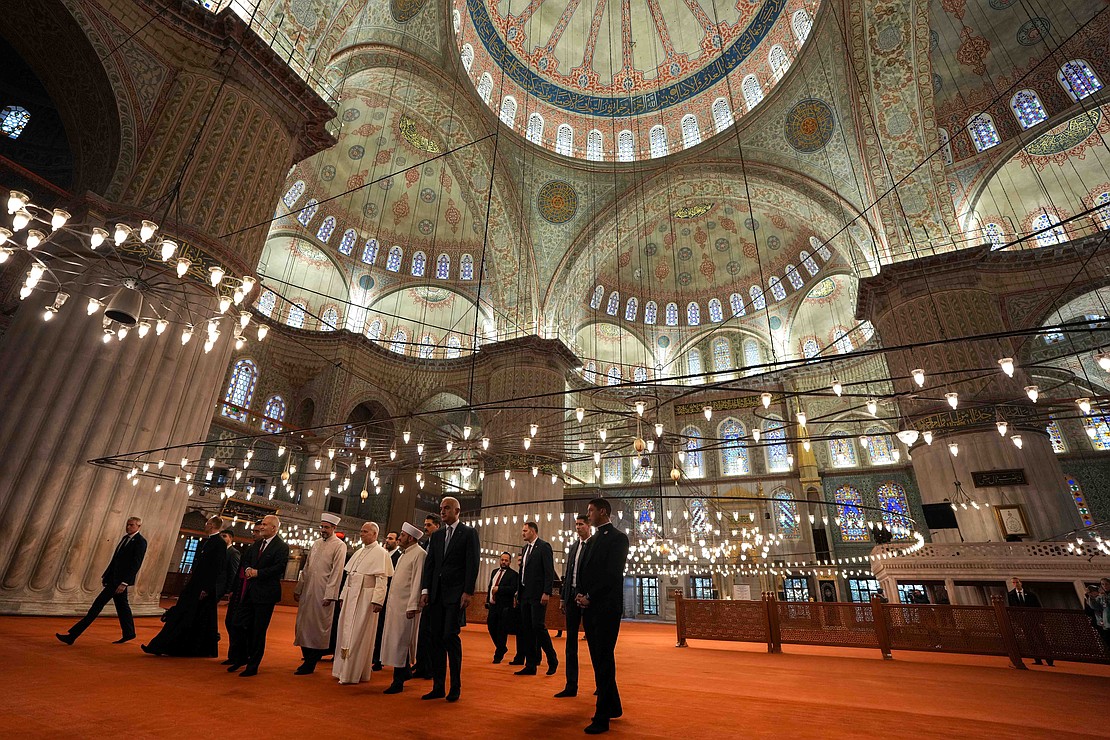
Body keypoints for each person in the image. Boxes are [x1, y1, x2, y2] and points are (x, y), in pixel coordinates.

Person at [576, 497, 629, 735]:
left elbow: (612, 575)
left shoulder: (618, 539)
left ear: (603, 512)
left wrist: (590, 596)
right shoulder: (593, 539)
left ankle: (602, 716)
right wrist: (580, 594)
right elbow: (586, 571)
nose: (588, 515)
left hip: (606, 608)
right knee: (598, 660)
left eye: (591, 511)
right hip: (590, 607)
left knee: (604, 659)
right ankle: (613, 706)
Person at [418, 496, 479, 702]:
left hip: (456, 595)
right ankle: (438, 687)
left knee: (450, 637)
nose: (442, 511)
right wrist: (425, 590)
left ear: (457, 511)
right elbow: (430, 565)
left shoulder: (468, 533)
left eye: (447, 508)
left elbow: (472, 564)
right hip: (436, 595)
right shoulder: (437, 535)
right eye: (441, 508)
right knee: (436, 639)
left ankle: (455, 687)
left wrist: (468, 591)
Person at [142, 515, 227, 657]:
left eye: (207, 523)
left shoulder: (219, 543)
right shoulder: (210, 541)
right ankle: (165, 646)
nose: (205, 525)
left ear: (212, 525)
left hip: (203, 588)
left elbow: (216, 568)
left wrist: (206, 588)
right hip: (196, 586)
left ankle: (165, 646)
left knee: (190, 617)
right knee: (188, 617)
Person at [57, 516, 147, 645]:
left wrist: (124, 583)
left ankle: (72, 636)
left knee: (96, 607)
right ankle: (129, 633)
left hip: (119, 582)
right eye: (127, 524)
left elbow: (135, 564)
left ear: (138, 526)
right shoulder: (125, 539)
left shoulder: (140, 542)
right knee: (123, 608)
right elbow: (115, 561)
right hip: (113, 579)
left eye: (131, 525)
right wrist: (106, 576)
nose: (128, 527)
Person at [227, 514, 289, 676]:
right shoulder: (257, 545)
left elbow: (279, 568)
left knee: (258, 631)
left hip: (266, 594)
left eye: (265, 524)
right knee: (237, 623)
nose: (261, 527)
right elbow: (246, 560)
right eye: (262, 524)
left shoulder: (281, 546)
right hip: (250, 591)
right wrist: (248, 569)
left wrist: (258, 573)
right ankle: (242, 657)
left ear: (274, 528)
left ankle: (253, 666)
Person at [333, 521, 394, 685]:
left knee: (359, 633)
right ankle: (341, 670)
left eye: (365, 531)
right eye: (361, 531)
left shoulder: (381, 553)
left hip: (365, 599)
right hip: (350, 597)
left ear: (375, 534)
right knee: (345, 632)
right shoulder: (359, 552)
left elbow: (382, 580)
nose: (361, 534)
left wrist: (378, 601)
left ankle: (353, 673)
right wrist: (343, 596)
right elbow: (349, 577)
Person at [293, 513, 347, 675]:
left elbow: (337, 572)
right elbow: (306, 568)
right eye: (322, 527)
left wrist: (330, 595)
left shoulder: (339, 546)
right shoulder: (316, 543)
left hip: (323, 593)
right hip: (308, 591)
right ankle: (307, 657)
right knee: (303, 625)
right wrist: (299, 588)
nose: (323, 530)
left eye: (326, 527)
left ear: (334, 528)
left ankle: (311, 662)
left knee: (318, 627)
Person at [380, 523, 428, 693]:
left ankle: (398, 681)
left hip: (406, 607)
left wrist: (413, 605)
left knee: (401, 642)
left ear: (411, 538)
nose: (399, 538)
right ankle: (405, 672)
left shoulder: (420, 554)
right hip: (395, 606)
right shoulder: (404, 554)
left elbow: (417, 582)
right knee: (395, 641)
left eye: (402, 535)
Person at [516, 521, 558, 676]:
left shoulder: (544, 547)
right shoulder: (525, 548)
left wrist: (546, 592)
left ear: (533, 531)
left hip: (538, 595)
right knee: (527, 630)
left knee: (538, 627)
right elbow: (523, 572)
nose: (523, 533)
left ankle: (552, 659)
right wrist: (518, 593)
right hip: (525, 594)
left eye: (525, 531)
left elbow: (549, 571)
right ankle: (531, 665)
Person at [556, 514, 591, 697]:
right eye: (576, 524)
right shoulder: (574, 547)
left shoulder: (594, 545)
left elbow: (596, 574)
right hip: (571, 597)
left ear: (589, 526)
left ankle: (601, 685)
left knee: (594, 643)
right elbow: (568, 573)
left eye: (581, 524)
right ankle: (571, 685)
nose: (578, 527)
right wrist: (563, 598)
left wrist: (589, 596)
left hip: (588, 600)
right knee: (570, 643)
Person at [222, 520, 262, 666]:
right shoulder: (251, 548)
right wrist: (232, 589)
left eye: (257, 531)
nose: (254, 534)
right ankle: (234, 655)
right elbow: (239, 570)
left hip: (249, 591)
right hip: (239, 589)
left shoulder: (262, 550)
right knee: (230, 622)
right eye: (254, 531)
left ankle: (241, 656)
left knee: (242, 625)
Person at [411, 512, 442, 680]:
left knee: (430, 633)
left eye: (429, 525)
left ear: (438, 526)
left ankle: (429, 668)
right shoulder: (426, 543)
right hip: (425, 591)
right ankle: (422, 664)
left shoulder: (441, 542)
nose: (425, 528)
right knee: (422, 632)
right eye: (425, 525)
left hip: (435, 593)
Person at [372, 530, 402, 672]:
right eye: (387, 538)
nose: (387, 540)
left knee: (383, 629)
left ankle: (379, 659)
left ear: (397, 542)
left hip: (389, 598)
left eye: (391, 538)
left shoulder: (399, 557)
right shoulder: (381, 555)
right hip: (377, 595)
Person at [1007, 577, 1053, 666]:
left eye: (1017, 582)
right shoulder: (1011, 595)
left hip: (1034, 621)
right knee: (1030, 640)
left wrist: (1041, 621)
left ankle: (1049, 660)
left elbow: (1038, 608)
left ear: (1021, 583)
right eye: (1014, 583)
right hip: (1023, 622)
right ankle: (1037, 659)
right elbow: (1012, 609)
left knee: (1042, 639)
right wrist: (1017, 623)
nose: (1016, 584)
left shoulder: (1031, 594)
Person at [485, 551, 519, 664]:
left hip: (504, 607)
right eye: (502, 560)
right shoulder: (494, 572)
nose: (504, 562)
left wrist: (499, 589)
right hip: (493, 606)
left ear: (510, 562)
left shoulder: (513, 574)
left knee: (501, 631)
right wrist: (488, 601)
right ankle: (502, 647)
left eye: (506, 560)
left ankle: (498, 655)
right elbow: (490, 587)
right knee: (491, 627)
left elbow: (513, 589)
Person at [218, 529, 240, 599]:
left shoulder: (234, 552)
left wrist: (229, 589)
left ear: (230, 538)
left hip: (222, 586)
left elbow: (233, 572)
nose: (222, 538)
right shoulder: (219, 550)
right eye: (221, 536)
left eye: (224, 536)